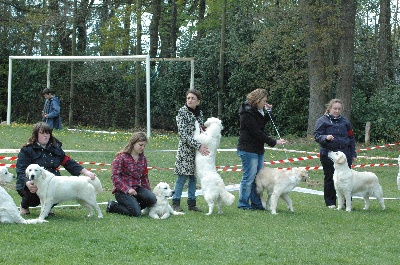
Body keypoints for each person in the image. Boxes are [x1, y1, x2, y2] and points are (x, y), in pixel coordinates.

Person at [16, 122, 97, 216]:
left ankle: (47, 208)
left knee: (61, 189)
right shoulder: (27, 150)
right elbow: (21, 170)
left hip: (53, 183)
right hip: (32, 183)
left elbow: (68, 162)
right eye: (42, 133)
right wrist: (27, 182)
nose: (46, 136)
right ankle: (24, 206)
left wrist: (86, 172)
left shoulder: (55, 148)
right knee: (32, 193)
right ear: (36, 135)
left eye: (48, 133)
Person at [237, 88, 286, 210]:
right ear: (257, 100)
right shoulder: (246, 113)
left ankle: (257, 203)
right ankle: (243, 203)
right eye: (264, 101)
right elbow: (257, 132)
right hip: (248, 149)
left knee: (258, 178)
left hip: (258, 149)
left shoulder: (257, 111)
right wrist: (274, 142)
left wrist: (267, 112)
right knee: (249, 178)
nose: (265, 103)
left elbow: (261, 124)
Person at [314, 98, 357, 209]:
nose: (337, 111)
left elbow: (351, 137)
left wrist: (353, 153)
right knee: (330, 177)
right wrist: (325, 137)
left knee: (346, 179)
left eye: (339, 109)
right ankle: (330, 202)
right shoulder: (322, 121)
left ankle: (346, 203)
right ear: (329, 108)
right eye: (335, 109)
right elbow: (317, 136)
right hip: (328, 154)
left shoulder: (345, 121)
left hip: (344, 155)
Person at [172, 88, 209, 212]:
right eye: (188, 98)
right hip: (185, 150)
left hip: (197, 152)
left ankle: (192, 204)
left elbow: (201, 130)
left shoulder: (199, 113)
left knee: (193, 177)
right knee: (182, 177)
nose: (190, 100)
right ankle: (176, 202)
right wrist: (198, 145)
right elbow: (183, 134)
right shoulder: (181, 112)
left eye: (193, 98)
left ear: (198, 101)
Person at [106, 132, 157, 217]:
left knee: (152, 199)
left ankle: (134, 206)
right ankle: (112, 206)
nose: (142, 148)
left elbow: (144, 178)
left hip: (136, 189)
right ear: (133, 143)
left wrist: (148, 193)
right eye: (140, 145)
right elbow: (115, 177)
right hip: (121, 191)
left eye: (144, 146)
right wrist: (127, 189)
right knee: (137, 214)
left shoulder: (143, 159)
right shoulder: (121, 158)